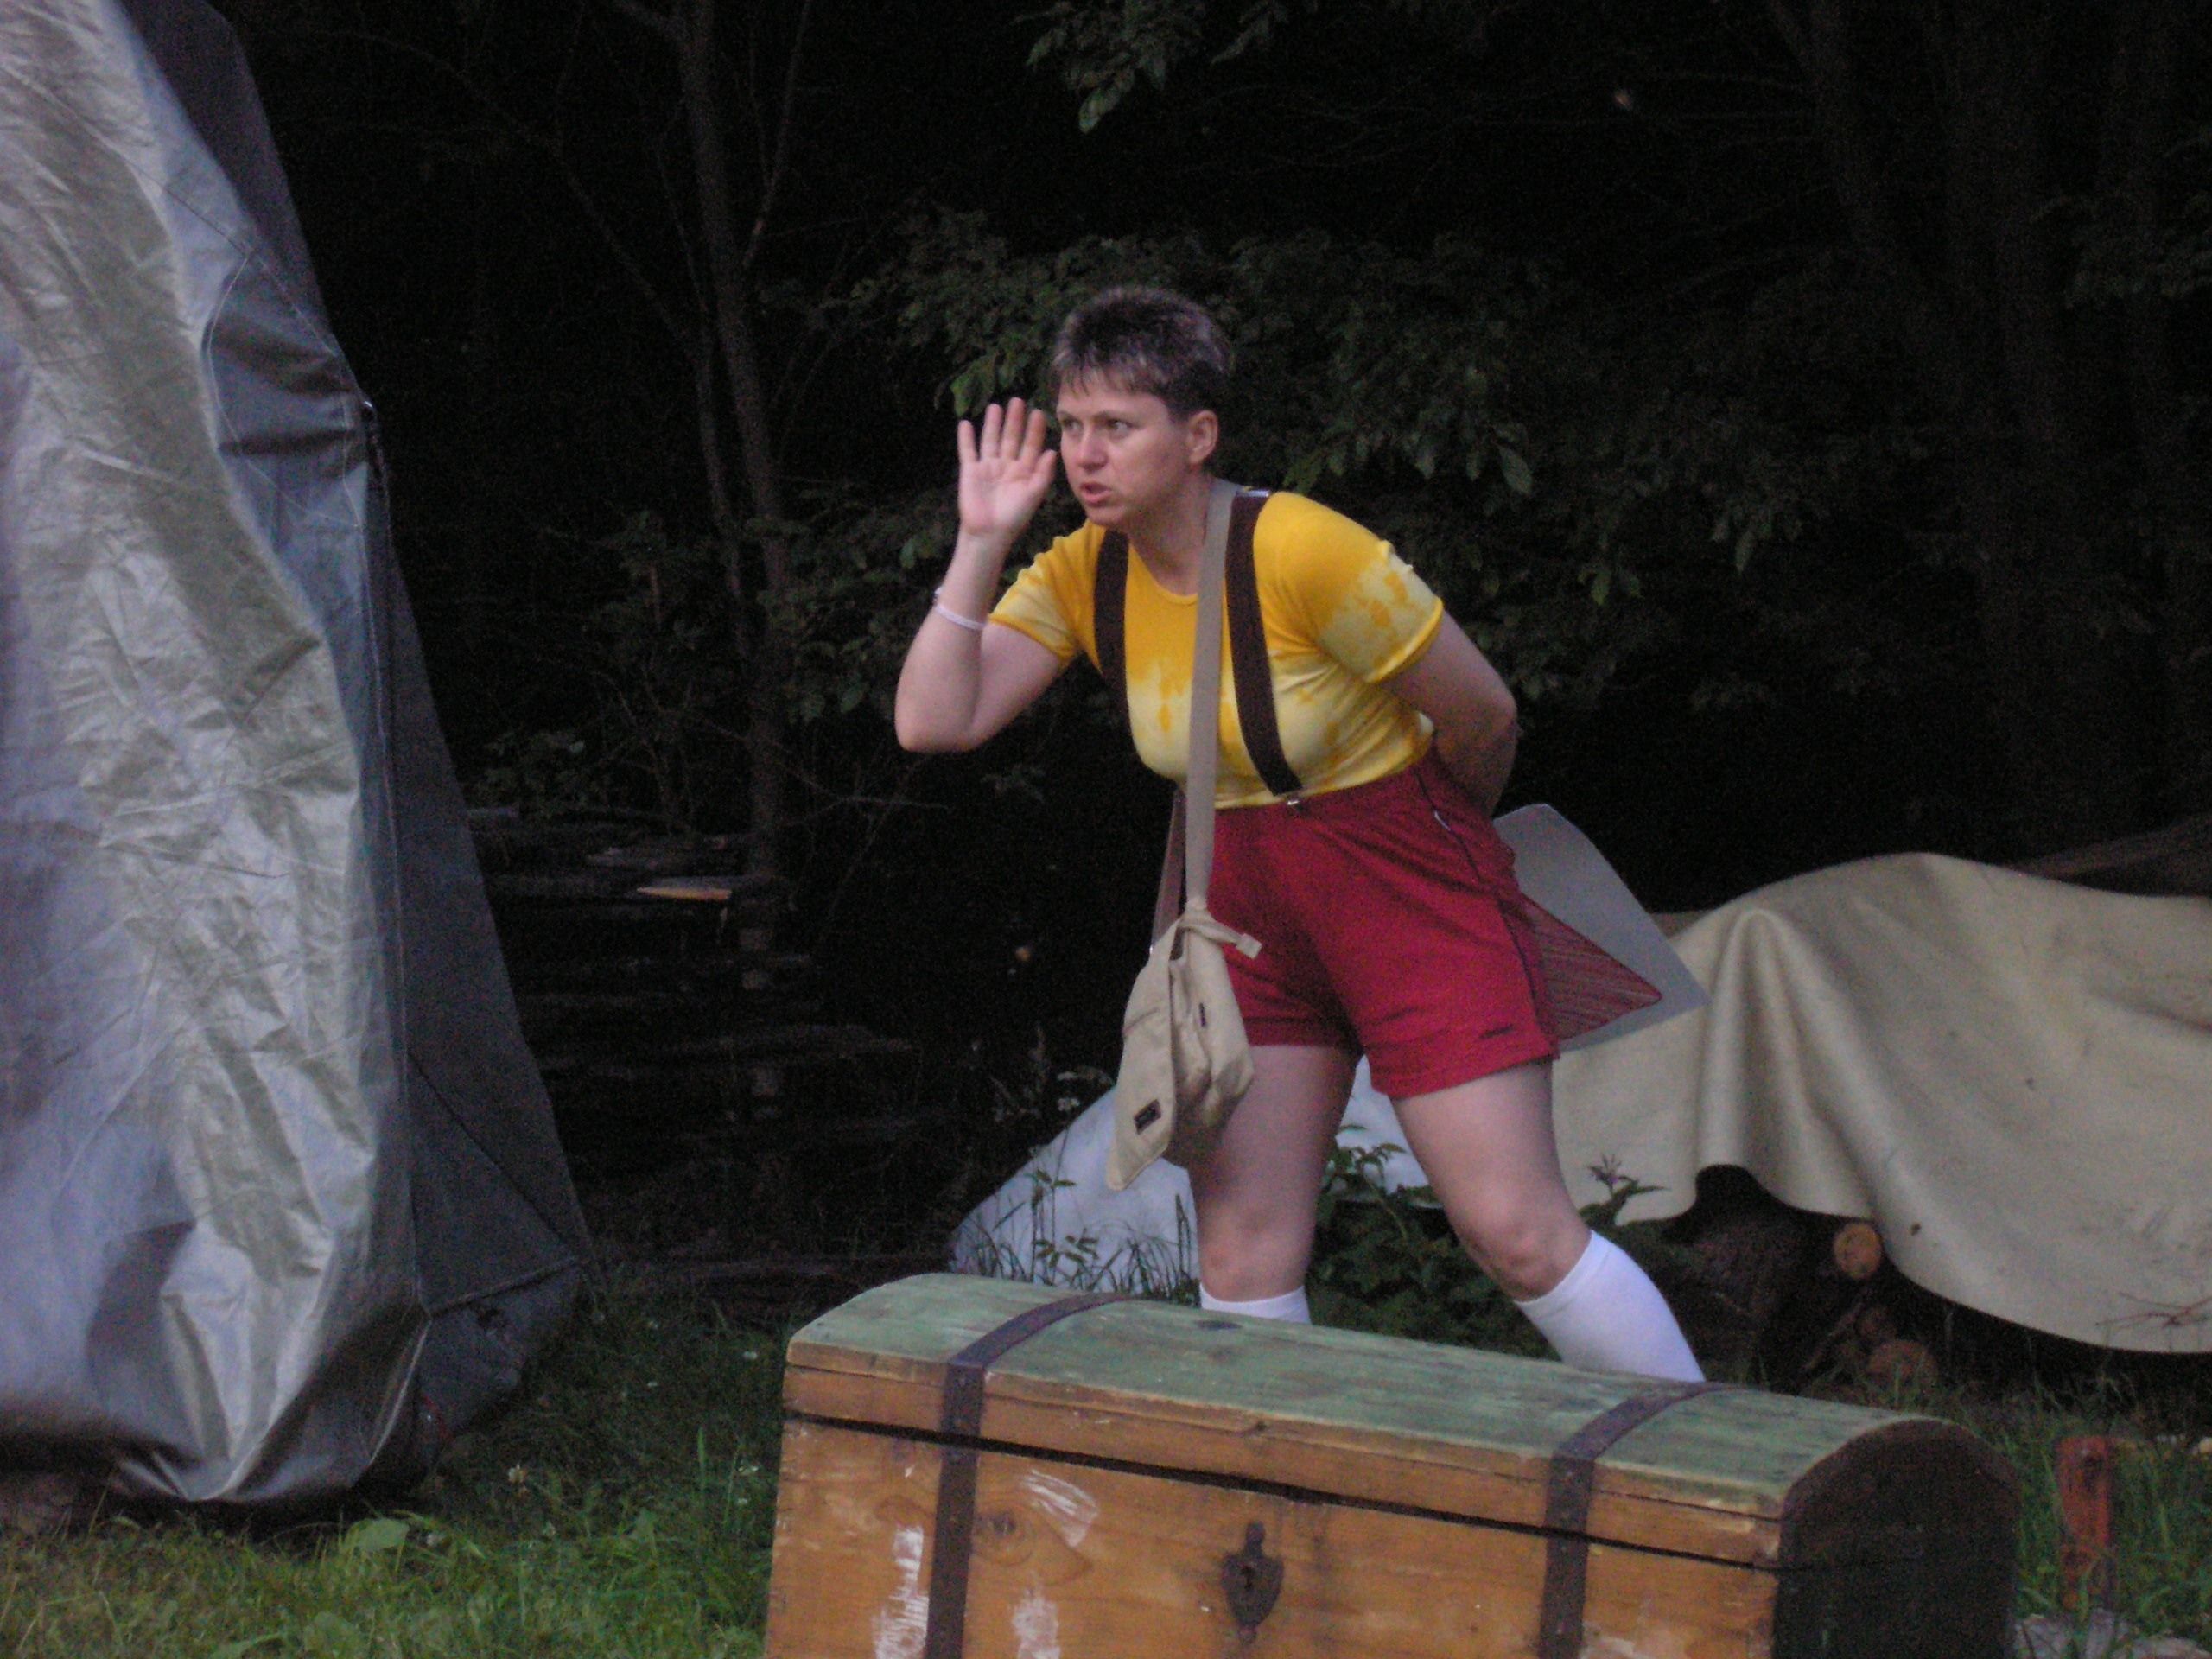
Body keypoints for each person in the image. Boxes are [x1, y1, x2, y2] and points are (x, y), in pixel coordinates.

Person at [895, 287, 1700, 1380]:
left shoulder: (1303, 548)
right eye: (1072, 425)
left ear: (1198, 436)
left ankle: (1705, 1456)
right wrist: (981, 540)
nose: (1084, 455)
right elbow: (933, 721)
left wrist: (1432, 851)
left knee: (1515, 1232)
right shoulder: (1088, 568)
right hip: (1241, 909)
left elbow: (1483, 717)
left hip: (1403, 874)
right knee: (1240, 1251)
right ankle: (1258, 1481)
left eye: (1118, 426)